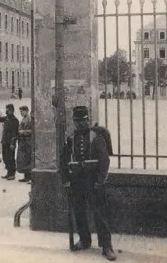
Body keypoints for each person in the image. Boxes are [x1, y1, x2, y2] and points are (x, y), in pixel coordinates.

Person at [60, 106, 116, 261]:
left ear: (87, 120)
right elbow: (63, 160)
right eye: (77, 121)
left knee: (100, 213)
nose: (80, 124)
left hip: (93, 181)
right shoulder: (70, 138)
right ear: (74, 121)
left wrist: (100, 180)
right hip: (76, 180)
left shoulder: (96, 137)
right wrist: (65, 180)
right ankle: (84, 240)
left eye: (83, 120)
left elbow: (104, 160)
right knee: (79, 212)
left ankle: (106, 246)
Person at [0, 104, 18, 180]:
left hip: (10, 142)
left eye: (9, 110)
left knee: (11, 158)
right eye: (7, 109)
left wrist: (13, 143)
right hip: (4, 141)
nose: (7, 111)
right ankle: (8, 172)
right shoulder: (6, 118)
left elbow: (15, 133)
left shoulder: (15, 120)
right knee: (5, 158)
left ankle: (12, 174)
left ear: (12, 110)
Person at [17, 106, 33, 182]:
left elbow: (33, 130)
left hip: (28, 141)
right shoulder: (23, 119)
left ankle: (29, 176)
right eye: (20, 112)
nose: (21, 113)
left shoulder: (30, 119)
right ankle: (26, 176)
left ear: (27, 111)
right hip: (23, 141)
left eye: (22, 111)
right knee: (23, 159)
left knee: (28, 159)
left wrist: (23, 132)